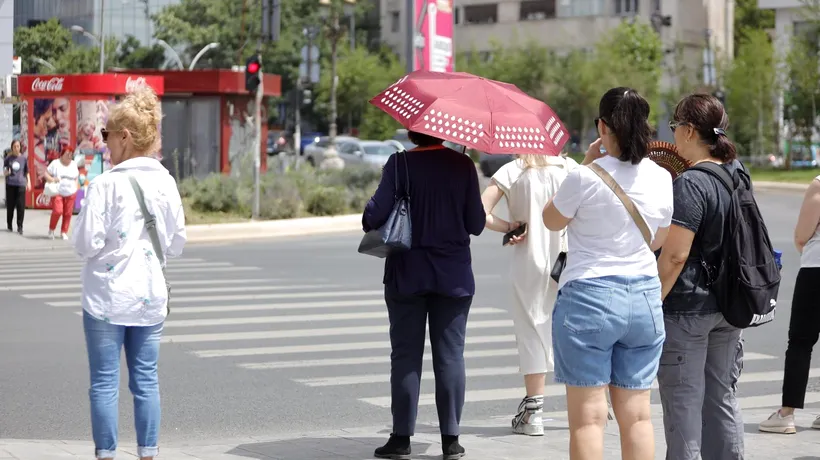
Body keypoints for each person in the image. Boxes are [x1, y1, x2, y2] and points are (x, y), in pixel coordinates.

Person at [542, 87, 673, 460]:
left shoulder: (584, 177)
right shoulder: (661, 177)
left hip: (589, 297)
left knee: (588, 420)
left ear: (603, 126)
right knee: (638, 418)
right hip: (645, 297)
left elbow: (551, 220)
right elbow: (658, 239)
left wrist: (585, 164)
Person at [71, 86, 187, 460]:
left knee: (105, 384)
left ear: (125, 137)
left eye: (106, 135)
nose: (104, 143)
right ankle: (148, 454)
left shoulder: (105, 185)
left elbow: (85, 244)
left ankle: (106, 455)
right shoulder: (166, 182)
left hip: (106, 299)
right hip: (150, 298)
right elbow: (176, 244)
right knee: (146, 381)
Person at [362, 131, 485, 460]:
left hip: (406, 275)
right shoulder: (463, 165)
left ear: (412, 131)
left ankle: (401, 439)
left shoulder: (399, 164)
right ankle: (451, 441)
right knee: (450, 357)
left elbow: (372, 217)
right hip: (454, 277)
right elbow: (476, 223)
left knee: (405, 356)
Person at [656, 93, 745, 459]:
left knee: (683, 404)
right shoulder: (738, 173)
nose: (674, 134)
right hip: (730, 304)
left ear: (690, 131)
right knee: (721, 398)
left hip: (689, 308)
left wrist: (652, 300)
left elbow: (675, 255)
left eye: (676, 127)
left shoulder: (692, 183)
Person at [481, 153, 577, 436]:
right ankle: (587, 404)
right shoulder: (570, 168)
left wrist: (507, 226)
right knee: (574, 331)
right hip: (568, 259)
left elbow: (478, 211)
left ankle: (533, 414)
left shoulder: (512, 170)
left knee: (532, 329)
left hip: (529, 260)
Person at [758, 176, 820, 434]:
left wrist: (802, 246)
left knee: (800, 342)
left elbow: (802, 234)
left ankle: (787, 414)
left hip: (817, 269)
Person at [43, 148, 80, 239]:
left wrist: (76, 187)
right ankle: (51, 229)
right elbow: (46, 174)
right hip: (57, 191)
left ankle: (64, 232)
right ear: (62, 154)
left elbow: (76, 177)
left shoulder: (74, 164)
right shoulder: (55, 163)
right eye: (67, 153)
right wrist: (52, 179)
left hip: (71, 192)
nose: (69, 155)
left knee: (68, 213)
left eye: (71, 154)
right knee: (57, 211)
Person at [4, 140, 30, 234]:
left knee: (20, 206)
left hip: (21, 184)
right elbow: (5, 170)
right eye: (14, 146)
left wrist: (29, 182)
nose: (16, 148)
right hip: (10, 184)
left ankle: (20, 226)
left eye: (18, 146)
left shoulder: (23, 158)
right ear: (12, 148)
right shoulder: (8, 158)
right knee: (10, 206)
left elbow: (27, 171)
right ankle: (9, 224)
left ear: (20, 147)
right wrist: (7, 172)